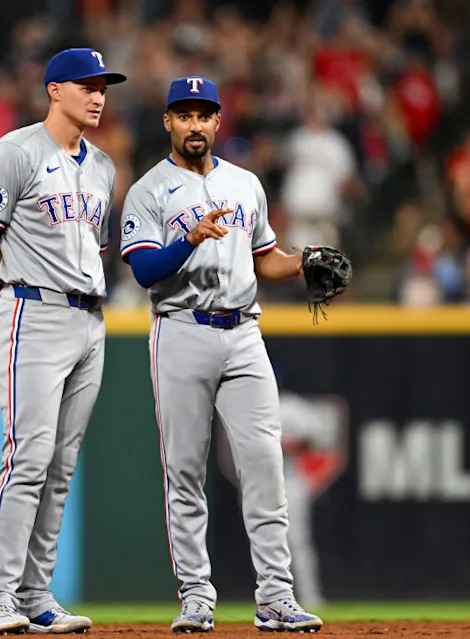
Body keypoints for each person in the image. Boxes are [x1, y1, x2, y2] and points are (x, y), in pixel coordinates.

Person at [118, 76, 324, 633]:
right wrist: (188, 239)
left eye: (203, 115)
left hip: (244, 333)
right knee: (184, 470)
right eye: (183, 115)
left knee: (265, 464)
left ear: (216, 121)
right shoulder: (148, 191)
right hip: (181, 329)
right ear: (168, 122)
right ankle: (196, 598)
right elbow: (143, 271)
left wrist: (303, 261)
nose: (194, 124)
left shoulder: (246, 184)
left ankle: (276, 597)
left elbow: (267, 260)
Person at [0, 48, 125, 635]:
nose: (98, 95)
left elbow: (93, 249)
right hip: (32, 310)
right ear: (55, 90)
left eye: (103, 86)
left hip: (89, 320)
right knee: (28, 459)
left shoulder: (103, 167)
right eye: (86, 84)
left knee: (59, 466)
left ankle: (35, 596)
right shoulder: (15, 152)